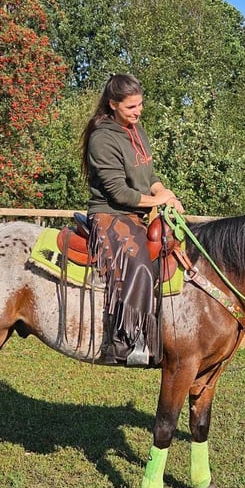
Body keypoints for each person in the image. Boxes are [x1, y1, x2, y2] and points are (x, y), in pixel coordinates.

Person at [80, 73, 184, 365]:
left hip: (136, 211)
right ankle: (122, 342)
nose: (137, 112)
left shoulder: (136, 131)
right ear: (113, 104)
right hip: (110, 213)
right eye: (131, 107)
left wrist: (165, 193)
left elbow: (148, 176)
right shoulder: (102, 138)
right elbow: (118, 193)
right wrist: (156, 201)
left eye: (140, 106)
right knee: (139, 264)